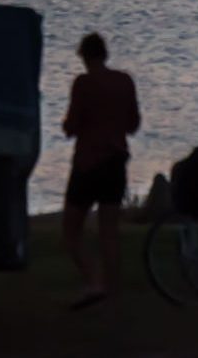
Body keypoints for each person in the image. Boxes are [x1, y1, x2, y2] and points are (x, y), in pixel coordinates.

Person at [60, 32, 140, 309]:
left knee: (71, 230)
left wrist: (69, 125)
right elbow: (133, 125)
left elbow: (72, 126)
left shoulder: (83, 83)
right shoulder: (125, 81)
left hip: (88, 164)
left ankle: (94, 282)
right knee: (109, 232)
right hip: (115, 163)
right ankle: (112, 292)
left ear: (84, 56)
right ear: (105, 53)